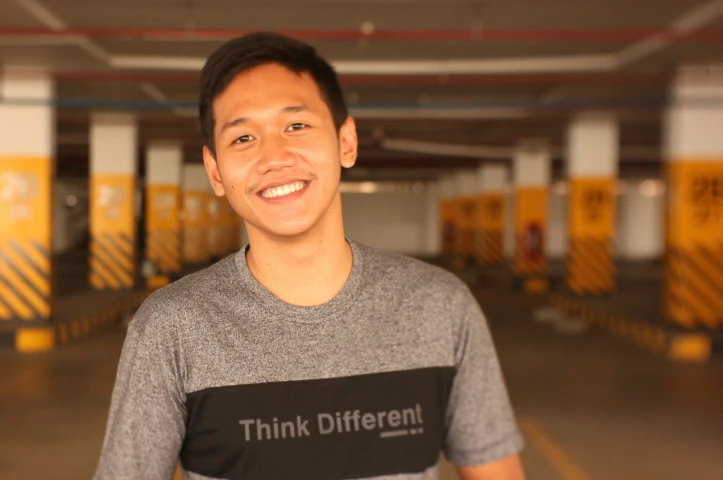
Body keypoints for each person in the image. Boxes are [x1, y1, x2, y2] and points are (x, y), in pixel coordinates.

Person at [93, 31, 526, 480]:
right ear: (215, 171)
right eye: (243, 138)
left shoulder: (439, 306)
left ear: (346, 142)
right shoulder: (172, 328)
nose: (274, 157)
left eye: (296, 126)